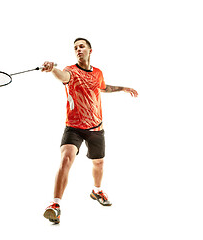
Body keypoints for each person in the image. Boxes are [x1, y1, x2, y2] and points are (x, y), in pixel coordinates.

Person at [42, 38, 138, 224]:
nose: (78, 49)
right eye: (75, 47)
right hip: (74, 128)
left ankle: (96, 191)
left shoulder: (98, 73)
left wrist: (123, 88)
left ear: (90, 50)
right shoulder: (71, 71)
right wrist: (52, 69)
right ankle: (55, 205)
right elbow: (62, 76)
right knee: (66, 158)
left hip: (96, 127)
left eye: (81, 46)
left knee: (99, 163)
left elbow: (103, 87)